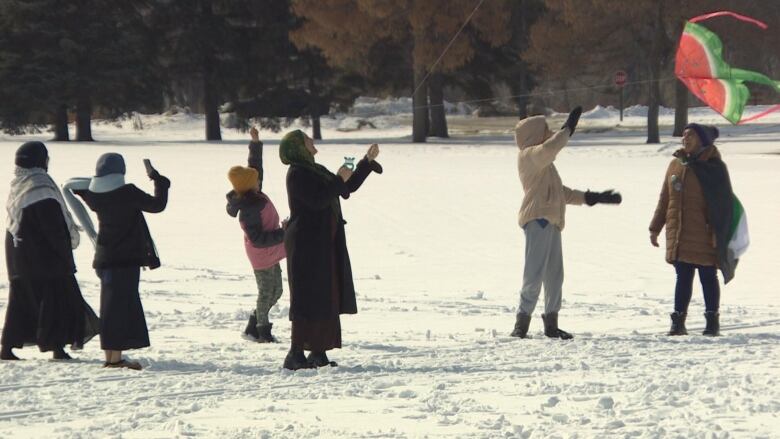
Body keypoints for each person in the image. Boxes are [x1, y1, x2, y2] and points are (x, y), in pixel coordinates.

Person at [510, 108, 622, 340]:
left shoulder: (544, 165)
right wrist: (567, 129)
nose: (549, 133)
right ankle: (521, 324)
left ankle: (551, 323)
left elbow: (561, 193)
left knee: (554, 275)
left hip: (551, 222)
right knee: (534, 274)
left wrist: (593, 197)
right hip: (537, 221)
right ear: (533, 134)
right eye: (545, 130)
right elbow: (551, 147)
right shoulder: (529, 156)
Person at [279, 129, 382, 370]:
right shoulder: (297, 173)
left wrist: (366, 163)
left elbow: (344, 190)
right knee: (307, 297)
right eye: (307, 140)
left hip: (323, 241)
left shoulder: (315, 170)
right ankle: (295, 354)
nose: (312, 142)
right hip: (306, 243)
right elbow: (317, 200)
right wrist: (338, 179)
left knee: (326, 295)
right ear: (298, 148)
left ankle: (318, 352)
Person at [65, 153, 170, 369]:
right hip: (127, 261)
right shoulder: (128, 192)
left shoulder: (92, 195)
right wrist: (159, 180)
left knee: (110, 308)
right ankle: (115, 360)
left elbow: (70, 184)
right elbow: (157, 205)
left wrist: (92, 182)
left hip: (104, 259)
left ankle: (112, 357)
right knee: (120, 309)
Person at [2, 141, 99, 361]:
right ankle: (56, 346)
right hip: (46, 261)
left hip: (19, 257)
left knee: (21, 302)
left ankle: (7, 346)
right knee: (55, 302)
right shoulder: (41, 188)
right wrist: (65, 255)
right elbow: (54, 228)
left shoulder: (19, 185)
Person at [649, 123, 739, 337]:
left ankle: (712, 321)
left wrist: (719, 233)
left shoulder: (715, 167)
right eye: (684, 134)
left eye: (690, 135)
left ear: (702, 139)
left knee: (708, 276)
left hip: (705, 233)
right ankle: (678, 322)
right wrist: (655, 227)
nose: (684, 138)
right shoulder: (675, 164)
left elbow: (724, 204)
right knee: (683, 276)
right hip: (679, 231)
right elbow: (665, 199)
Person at [226, 127, 287, 343]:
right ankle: (263, 332)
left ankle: (253, 324)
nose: (259, 180)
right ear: (249, 186)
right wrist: (284, 233)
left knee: (277, 291)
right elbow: (258, 239)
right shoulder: (249, 209)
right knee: (265, 293)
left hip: (273, 248)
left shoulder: (253, 190)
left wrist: (255, 143)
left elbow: (254, 167)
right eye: (255, 180)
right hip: (261, 254)